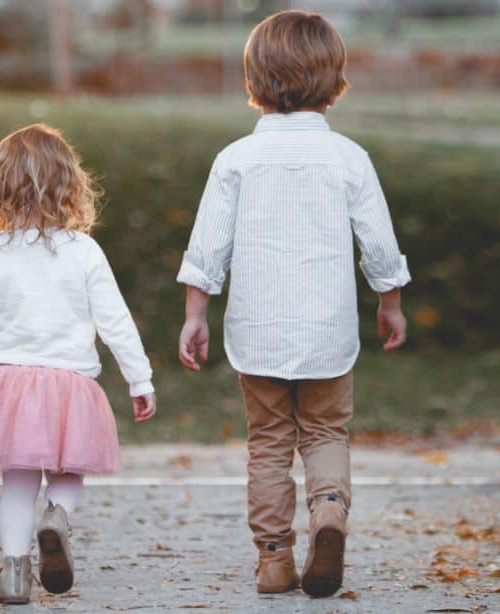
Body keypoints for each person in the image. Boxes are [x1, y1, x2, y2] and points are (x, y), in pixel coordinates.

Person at [176, 10, 410, 598]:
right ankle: (328, 510)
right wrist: (391, 303)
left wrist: (195, 314)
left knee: (270, 442)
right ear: (334, 79)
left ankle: (274, 559)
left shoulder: (235, 160)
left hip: (258, 332)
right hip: (328, 332)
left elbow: (208, 246)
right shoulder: (349, 158)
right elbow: (379, 244)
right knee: (327, 431)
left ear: (255, 79)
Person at [0, 123, 156, 605]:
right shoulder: (84, 251)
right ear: (69, 186)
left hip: (8, 387)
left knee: (17, 479)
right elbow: (116, 322)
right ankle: (57, 517)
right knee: (69, 469)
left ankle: (15, 574)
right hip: (71, 384)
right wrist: (139, 378)